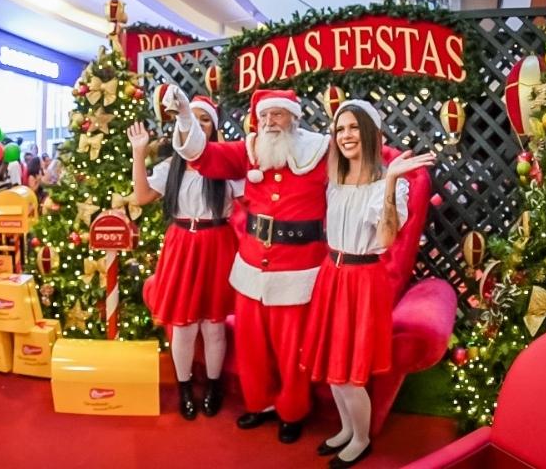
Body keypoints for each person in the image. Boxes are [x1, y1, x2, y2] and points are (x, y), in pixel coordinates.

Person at [168, 87, 331, 444]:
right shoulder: (249, 150)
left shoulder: (320, 150)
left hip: (298, 268)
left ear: (294, 116)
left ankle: (292, 411)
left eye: (278, 114)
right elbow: (202, 155)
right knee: (252, 347)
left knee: (292, 351)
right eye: (265, 116)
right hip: (252, 267)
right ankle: (259, 404)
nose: (271, 122)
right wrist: (184, 117)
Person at [300, 101, 434, 468]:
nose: (345, 136)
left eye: (353, 128)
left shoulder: (387, 183)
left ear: (371, 134)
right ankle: (346, 429)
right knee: (332, 367)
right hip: (332, 275)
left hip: (362, 280)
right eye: (340, 129)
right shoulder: (333, 182)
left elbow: (388, 238)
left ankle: (361, 439)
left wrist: (390, 180)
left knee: (349, 375)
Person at [128, 96, 241, 420]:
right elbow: (142, 196)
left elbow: (254, 198)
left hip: (217, 244)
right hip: (181, 245)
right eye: (193, 118)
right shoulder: (172, 165)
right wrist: (139, 152)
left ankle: (214, 387)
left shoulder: (227, 166)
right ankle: (184, 388)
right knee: (184, 326)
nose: (198, 125)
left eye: (205, 120)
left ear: (214, 129)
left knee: (214, 326)